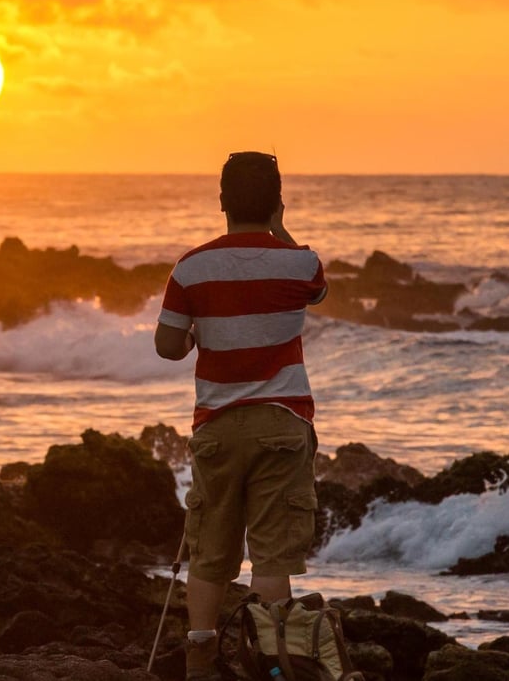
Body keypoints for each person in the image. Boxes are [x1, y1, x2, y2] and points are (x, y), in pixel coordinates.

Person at [153, 151, 328, 681]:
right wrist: (280, 229)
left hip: (219, 425)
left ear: (222, 201)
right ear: (277, 202)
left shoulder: (191, 267)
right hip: (282, 423)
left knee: (209, 553)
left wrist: (196, 337)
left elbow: (167, 346)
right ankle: (271, 663)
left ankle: (199, 661)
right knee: (272, 558)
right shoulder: (301, 263)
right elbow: (319, 292)